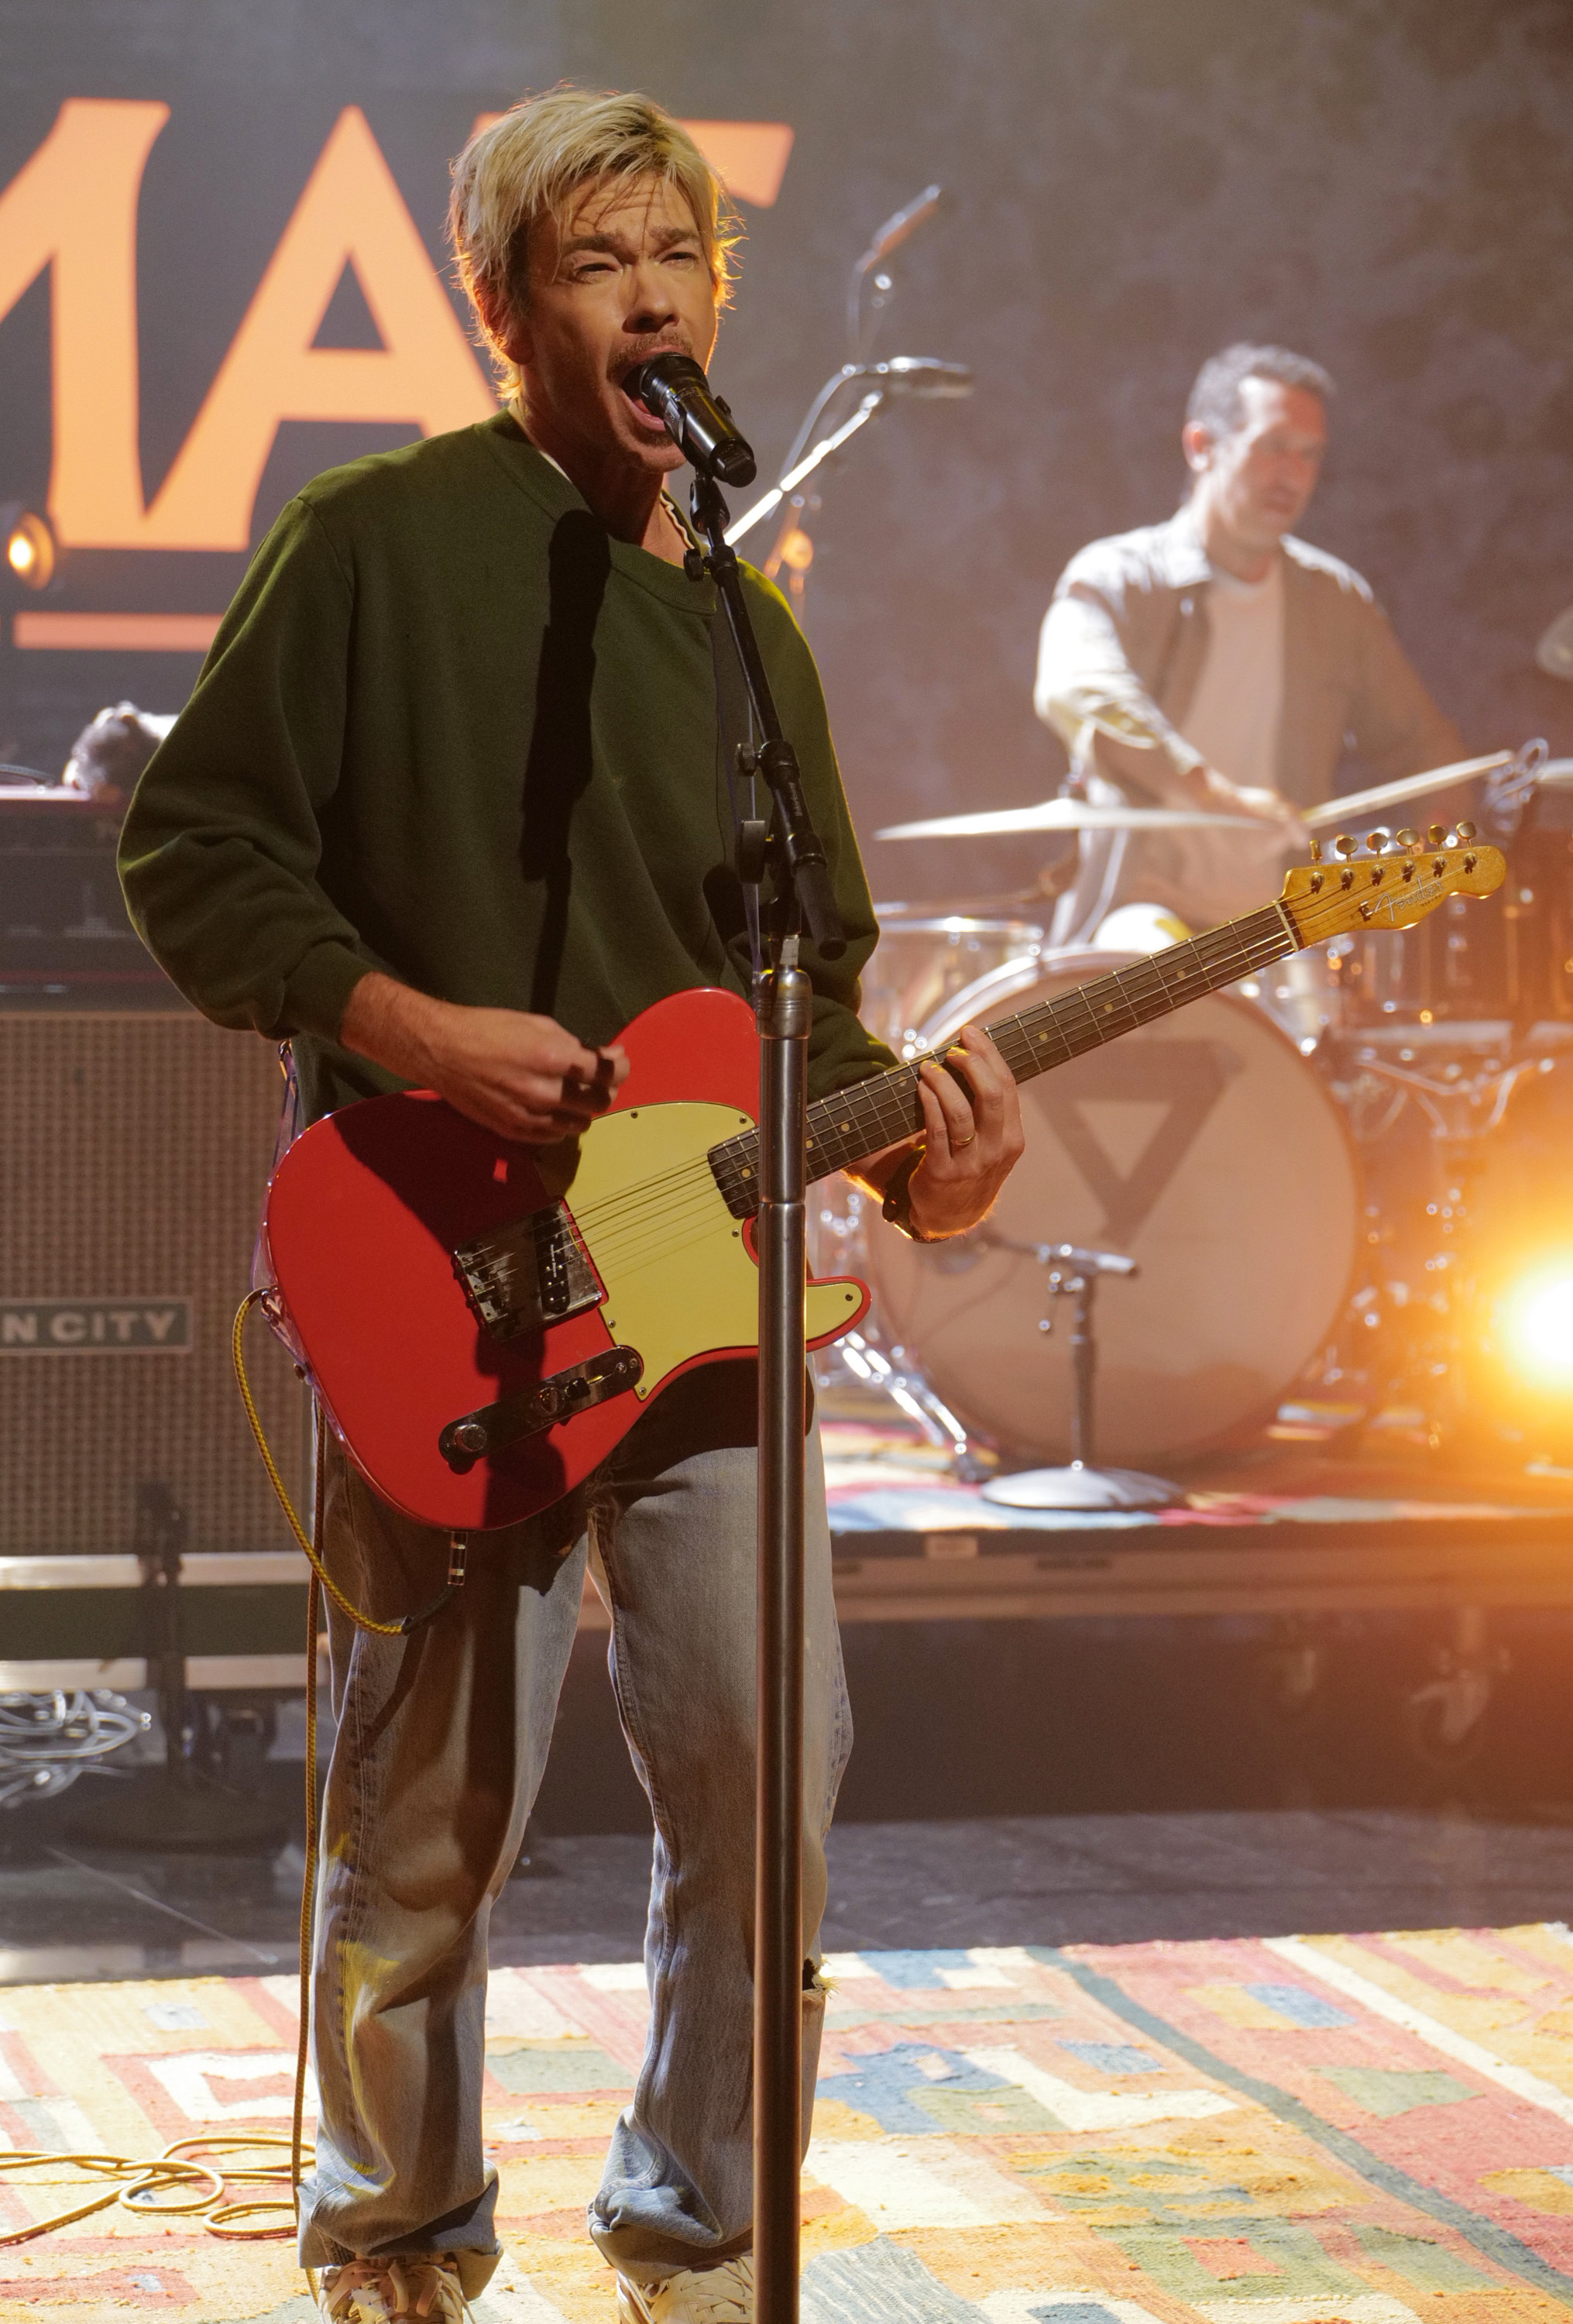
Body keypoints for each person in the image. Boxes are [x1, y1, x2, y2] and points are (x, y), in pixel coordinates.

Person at [118, 88, 1024, 2324]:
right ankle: (395, 2230)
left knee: (766, 1789)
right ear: (502, 303)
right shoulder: (371, 541)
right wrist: (414, 1029)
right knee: (431, 1815)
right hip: (447, 1275)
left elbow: (810, 1007)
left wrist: (925, 1152)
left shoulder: (746, 641)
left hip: (703, 1305)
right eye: (597, 260)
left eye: (679, 257)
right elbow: (192, 852)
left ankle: (700, 2233)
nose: (649, 298)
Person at [1035, 342, 1463, 938]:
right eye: (1272, 446)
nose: (1292, 475)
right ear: (1200, 446)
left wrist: (1436, 836)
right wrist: (1214, 797)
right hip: (1139, 921)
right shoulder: (1117, 576)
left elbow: (1423, 749)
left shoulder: (1336, 601)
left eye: (1309, 454)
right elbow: (1079, 691)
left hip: (1282, 936)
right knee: (1145, 946)